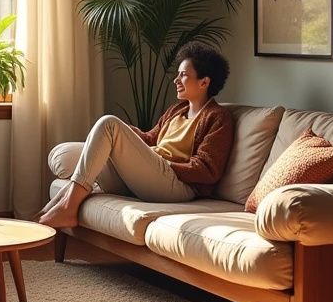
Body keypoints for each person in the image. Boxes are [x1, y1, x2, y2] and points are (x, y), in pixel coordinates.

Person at [39, 42, 234, 229]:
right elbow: (150, 139)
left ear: (204, 82)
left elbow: (208, 170)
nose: (176, 80)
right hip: (154, 173)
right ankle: (42, 218)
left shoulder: (218, 117)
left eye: (183, 75)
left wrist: (165, 165)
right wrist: (124, 133)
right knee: (91, 164)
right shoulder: (178, 109)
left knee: (108, 123)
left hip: (178, 185)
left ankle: (67, 209)